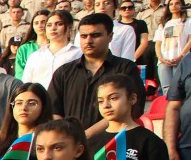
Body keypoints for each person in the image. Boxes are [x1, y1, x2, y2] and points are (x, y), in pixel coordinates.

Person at [48, 13, 141, 141]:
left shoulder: (125, 69)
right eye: (84, 36)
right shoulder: (64, 72)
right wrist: (67, 135)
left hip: (114, 145)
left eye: (95, 35)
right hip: (72, 146)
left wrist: (86, 136)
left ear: (110, 36)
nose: (88, 41)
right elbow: (53, 110)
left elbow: (133, 108)